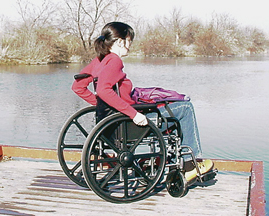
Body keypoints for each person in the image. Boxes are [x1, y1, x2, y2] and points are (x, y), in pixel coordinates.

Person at [71, 21, 212, 180]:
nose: (130, 45)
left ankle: (162, 159)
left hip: (110, 124)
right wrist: (133, 114)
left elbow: (78, 87)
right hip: (127, 125)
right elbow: (103, 90)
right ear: (119, 41)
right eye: (129, 40)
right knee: (185, 109)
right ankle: (190, 165)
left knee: (170, 111)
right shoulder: (114, 60)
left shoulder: (98, 61)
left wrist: (103, 105)